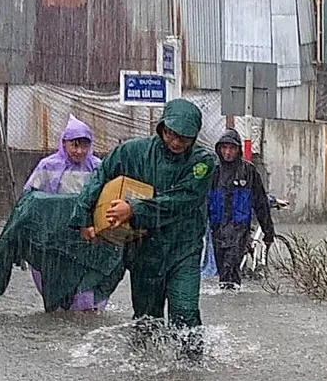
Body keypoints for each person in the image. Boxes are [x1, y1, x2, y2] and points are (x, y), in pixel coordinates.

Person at [69, 98, 217, 331]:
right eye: (170, 134)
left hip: (184, 249)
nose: (176, 142)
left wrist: (133, 209)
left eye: (184, 138)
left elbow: (181, 201)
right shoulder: (132, 152)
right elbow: (100, 177)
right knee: (146, 320)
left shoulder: (203, 163)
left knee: (185, 313)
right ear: (162, 127)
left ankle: (190, 364)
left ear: (194, 137)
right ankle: (144, 365)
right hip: (144, 248)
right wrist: (84, 219)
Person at [22, 115, 108, 311]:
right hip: (53, 239)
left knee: (86, 295)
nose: (79, 151)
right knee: (55, 293)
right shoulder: (47, 166)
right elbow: (30, 198)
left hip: (85, 238)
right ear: (64, 143)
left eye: (84, 146)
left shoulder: (98, 168)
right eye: (74, 145)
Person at [208, 128, 275, 290]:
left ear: (238, 150)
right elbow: (204, 202)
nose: (228, 152)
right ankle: (227, 306)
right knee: (223, 276)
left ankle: (231, 302)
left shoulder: (249, 171)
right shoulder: (214, 172)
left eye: (232, 148)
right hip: (218, 230)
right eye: (224, 148)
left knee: (230, 270)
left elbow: (261, 203)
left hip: (239, 230)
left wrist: (268, 230)